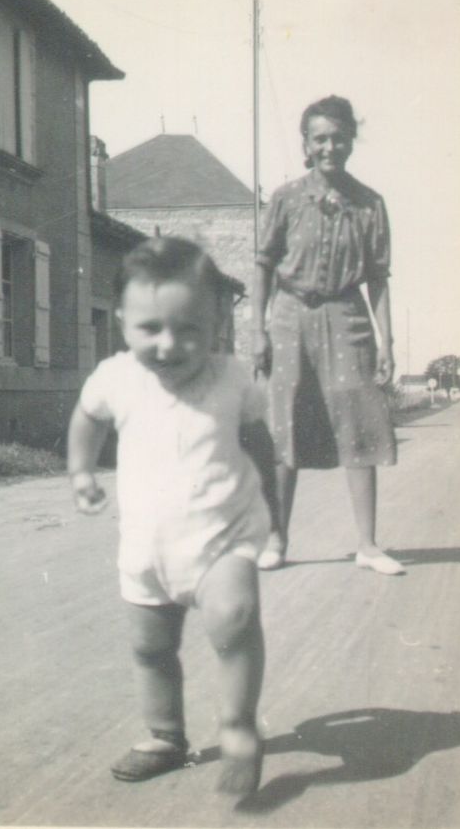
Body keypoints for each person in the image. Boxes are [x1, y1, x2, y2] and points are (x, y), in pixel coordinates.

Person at [67, 236, 278, 797]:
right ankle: (165, 735)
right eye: (151, 329)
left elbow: (260, 446)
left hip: (223, 538)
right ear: (121, 321)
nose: (169, 344)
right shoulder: (115, 378)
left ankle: (238, 726)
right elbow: (88, 419)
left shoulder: (233, 379)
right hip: (146, 548)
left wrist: (275, 514)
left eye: (189, 329)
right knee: (150, 648)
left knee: (235, 617)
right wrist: (81, 471)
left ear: (216, 324)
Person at [253, 95, 404, 576]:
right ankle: (276, 540)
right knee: (284, 423)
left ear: (351, 142)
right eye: (319, 139)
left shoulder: (370, 204)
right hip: (290, 316)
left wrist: (386, 342)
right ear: (306, 144)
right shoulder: (286, 198)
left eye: (339, 138)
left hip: (346, 315)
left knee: (359, 419)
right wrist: (257, 330)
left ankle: (368, 545)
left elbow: (377, 277)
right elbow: (263, 266)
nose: (329, 147)